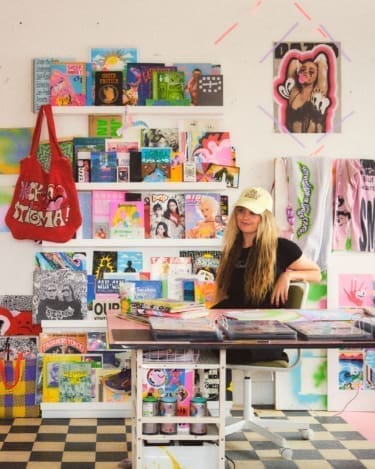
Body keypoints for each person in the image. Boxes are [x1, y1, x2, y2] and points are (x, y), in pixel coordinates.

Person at [212, 186, 321, 363]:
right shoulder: (232, 249)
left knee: (216, 350)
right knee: (194, 341)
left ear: (265, 218)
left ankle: (224, 388)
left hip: (263, 333)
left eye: (252, 213)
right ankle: (221, 390)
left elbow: (316, 274)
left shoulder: (282, 247)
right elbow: (228, 295)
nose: (245, 217)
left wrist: (287, 276)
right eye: (241, 211)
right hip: (232, 327)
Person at [282, 52, 330, 133]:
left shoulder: (318, 91)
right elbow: (294, 62)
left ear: (317, 76)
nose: (306, 72)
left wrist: (309, 67)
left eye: (311, 71)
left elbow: (322, 60)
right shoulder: (294, 93)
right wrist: (300, 70)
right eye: (303, 70)